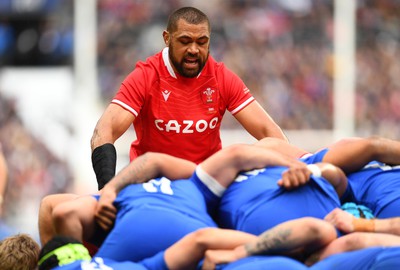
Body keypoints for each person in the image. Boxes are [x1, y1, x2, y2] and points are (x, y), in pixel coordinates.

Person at [90, 6, 288, 190]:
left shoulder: (221, 78)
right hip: (153, 186)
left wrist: (296, 169)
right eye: (185, 41)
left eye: (202, 42)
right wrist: (107, 191)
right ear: (167, 38)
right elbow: (104, 131)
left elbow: (271, 133)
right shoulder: (146, 76)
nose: (194, 49)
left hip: (204, 185)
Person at [41, 144, 315, 262]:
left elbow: (63, 212)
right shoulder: (197, 182)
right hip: (133, 211)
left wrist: (298, 167)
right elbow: (154, 161)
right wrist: (111, 191)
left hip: (144, 228)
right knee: (60, 209)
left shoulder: (205, 195)